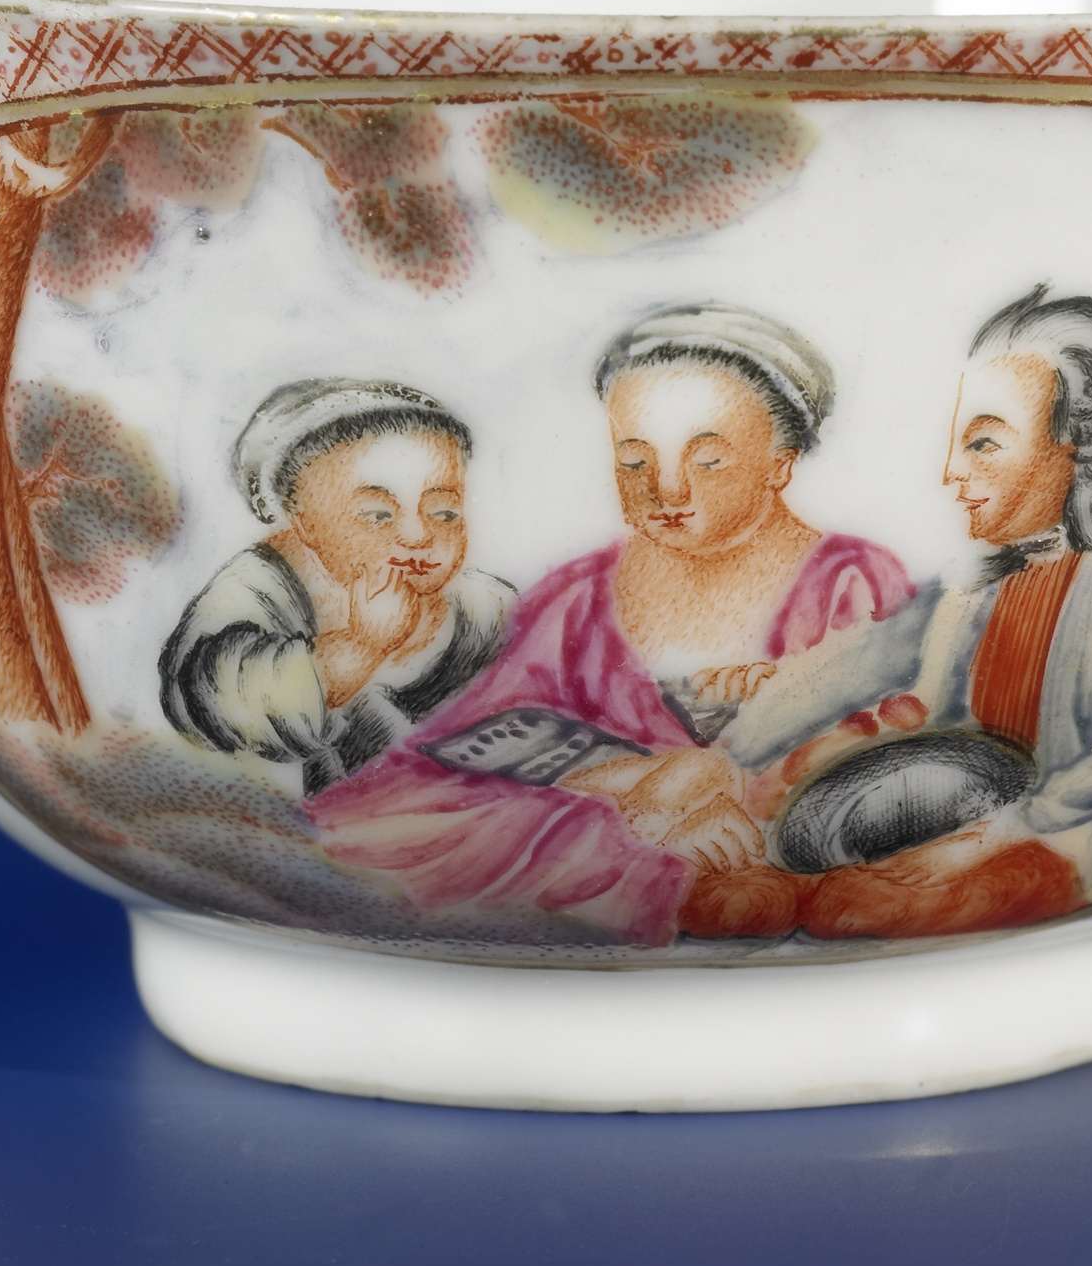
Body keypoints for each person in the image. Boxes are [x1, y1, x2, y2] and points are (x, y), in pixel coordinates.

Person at [307, 302, 912, 946]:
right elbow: (473, 743)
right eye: (634, 463)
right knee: (430, 825)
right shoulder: (577, 594)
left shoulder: (847, 578)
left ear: (779, 462)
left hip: (768, 813)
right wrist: (623, 796)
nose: (669, 491)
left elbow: (871, 742)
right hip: (592, 804)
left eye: (708, 461)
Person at [723, 286, 1092, 937]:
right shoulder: (983, 570)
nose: (950, 473)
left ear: (1080, 439)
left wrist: (1004, 833)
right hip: (976, 801)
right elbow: (881, 665)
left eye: (983, 444)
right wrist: (743, 751)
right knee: (807, 866)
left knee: (863, 905)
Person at [161, 380, 514, 795]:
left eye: (444, 513)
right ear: (305, 522)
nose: (418, 535)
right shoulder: (264, 589)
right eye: (377, 515)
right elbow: (212, 695)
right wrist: (359, 649)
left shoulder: (484, 608)